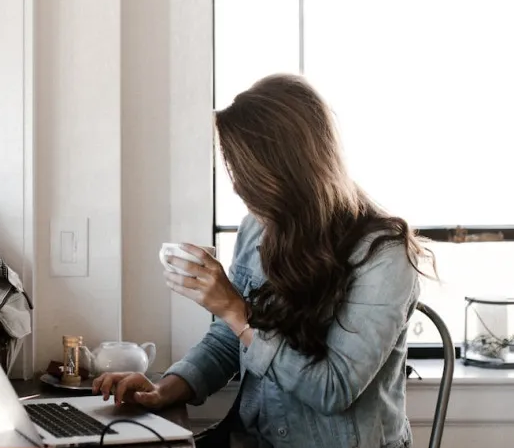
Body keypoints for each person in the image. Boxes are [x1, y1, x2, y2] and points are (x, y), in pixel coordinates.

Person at [93, 74, 433, 448]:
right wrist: (164, 390)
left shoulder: (384, 256)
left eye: (245, 174)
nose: (238, 187)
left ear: (288, 171)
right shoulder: (258, 229)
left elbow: (333, 390)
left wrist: (237, 311)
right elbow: (227, 341)